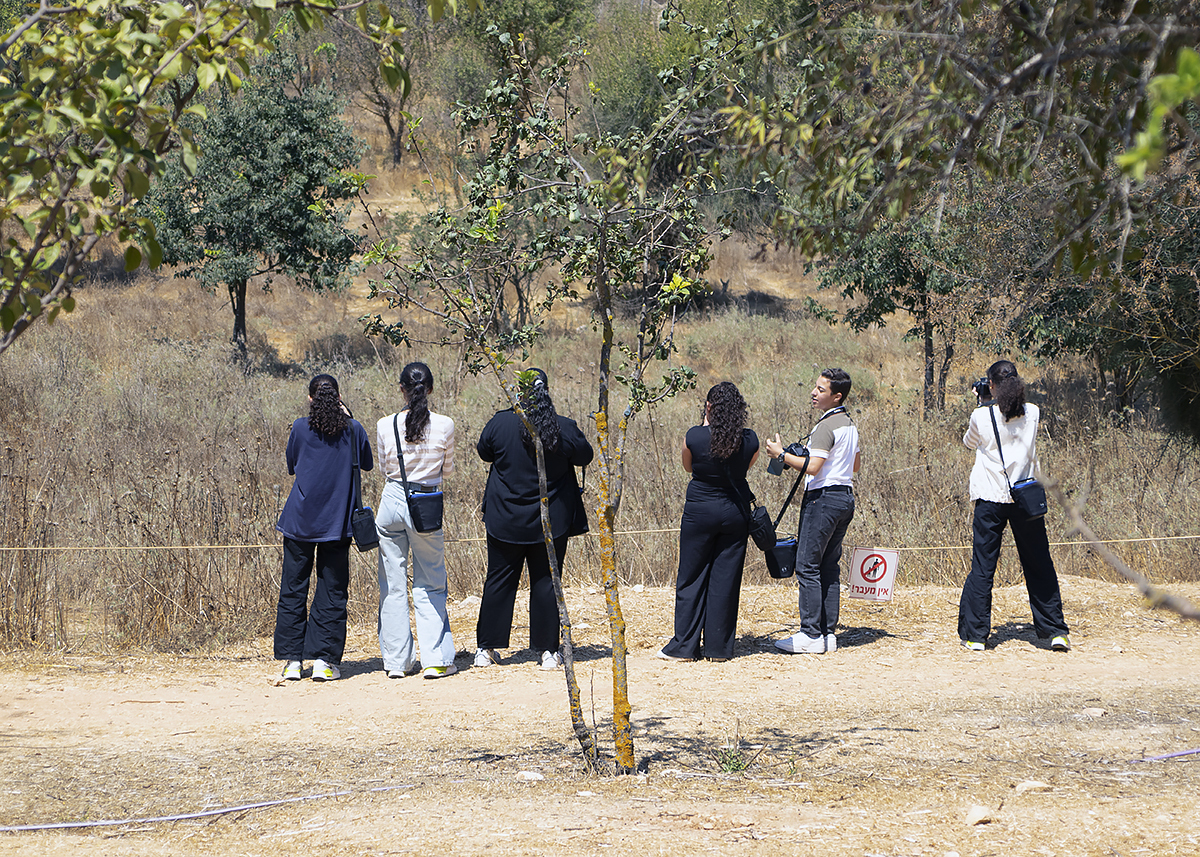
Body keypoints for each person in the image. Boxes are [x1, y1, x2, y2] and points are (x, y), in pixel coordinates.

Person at [474, 369, 594, 670]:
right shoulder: (563, 427)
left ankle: (485, 650)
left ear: (518, 392)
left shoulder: (500, 423)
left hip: (505, 518)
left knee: (499, 581)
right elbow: (586, 455)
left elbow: (484, 452)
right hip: (550, 521)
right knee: (546, 582)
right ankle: (547, 652)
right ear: (547, 391)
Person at [958, 360, 1071, 652]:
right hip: (1026, 498)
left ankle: (976, 636)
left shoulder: (981, 416)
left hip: (990, 498)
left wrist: (983, 402)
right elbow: (1013, 416)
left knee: (983, 567)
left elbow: (969, 443)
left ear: (991, 386)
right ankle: (1055, 631)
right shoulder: (1032, 412)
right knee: (1039, 564)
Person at [274, 374, 373, 682]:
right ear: (339, 398)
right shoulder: (353, 430)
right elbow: (367, 463)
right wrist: (349, 417)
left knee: (293, 589)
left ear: (310, 399)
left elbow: (292, 465)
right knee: (331, 591)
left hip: (299, 522)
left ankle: (292, 662)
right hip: (336, 523)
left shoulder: (300, 428)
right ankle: (323, 661)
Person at [657, 382, 759, 662]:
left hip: (700, 511)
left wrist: (706, 422)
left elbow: (688, 466)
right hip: (735, 512)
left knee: (691, 577)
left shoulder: (695, 436)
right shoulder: (750, 439)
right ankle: (718, 648)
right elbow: (745, 468)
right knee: (725, 580)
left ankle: (684, 646)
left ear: (709, 407)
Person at [765, 368, 861, 654]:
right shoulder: (850, 425)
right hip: (845, 497)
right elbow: (854, 466)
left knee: (807, 566)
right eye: (815, 387)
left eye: (820, 389)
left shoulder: (825, 427)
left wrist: (781, 455)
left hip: (823, 499)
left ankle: (809, 634)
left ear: (836, 396)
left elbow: (815, 467)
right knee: (829, 566)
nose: (814, 392)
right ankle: (827, 634)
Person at [375, 362, 458, 680]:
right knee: (431, 582)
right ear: (431, 389)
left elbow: (384, 468)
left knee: (393, 586)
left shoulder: (386, 424)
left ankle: (396, 663)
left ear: (402, 389)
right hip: (426, 503)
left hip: (392, 500)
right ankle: (435, 659)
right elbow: (446, 471)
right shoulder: (445, 424)